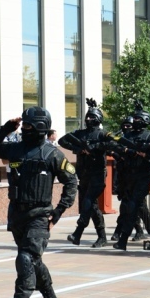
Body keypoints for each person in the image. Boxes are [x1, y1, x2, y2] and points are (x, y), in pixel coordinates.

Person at [0, 106, 77, 298]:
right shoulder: (15, 149)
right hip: (17, 214)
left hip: (40, 215)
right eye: (23, 125)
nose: (24, 128)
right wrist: (7, 128)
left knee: (25, 259)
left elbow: (71, 182)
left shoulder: (52, 154)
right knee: (32, 261)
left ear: (39, 127)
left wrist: (57, 213)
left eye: (27, 125)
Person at [58, 98, 111, 248]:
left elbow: (111, 144)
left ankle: (78, 232)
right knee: (90, 206)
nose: (88, 119)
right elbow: (63, 140)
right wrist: (79, 149)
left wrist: (94, 148)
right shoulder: (80, 133)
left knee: (88, 201)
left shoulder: (102, 134)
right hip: (84, 173)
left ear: (98, 119)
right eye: (88, 116)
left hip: (97, 174)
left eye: (92, 117)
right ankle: (102, 237)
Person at [112, 101, 150, 251]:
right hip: (128, 177)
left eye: (138, 119)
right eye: (135, 119)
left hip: (142, 177)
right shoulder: (128, 135)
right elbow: (117, 147)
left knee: (133, 206)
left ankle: (124, 240)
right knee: (137, 208)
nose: (135, 121)